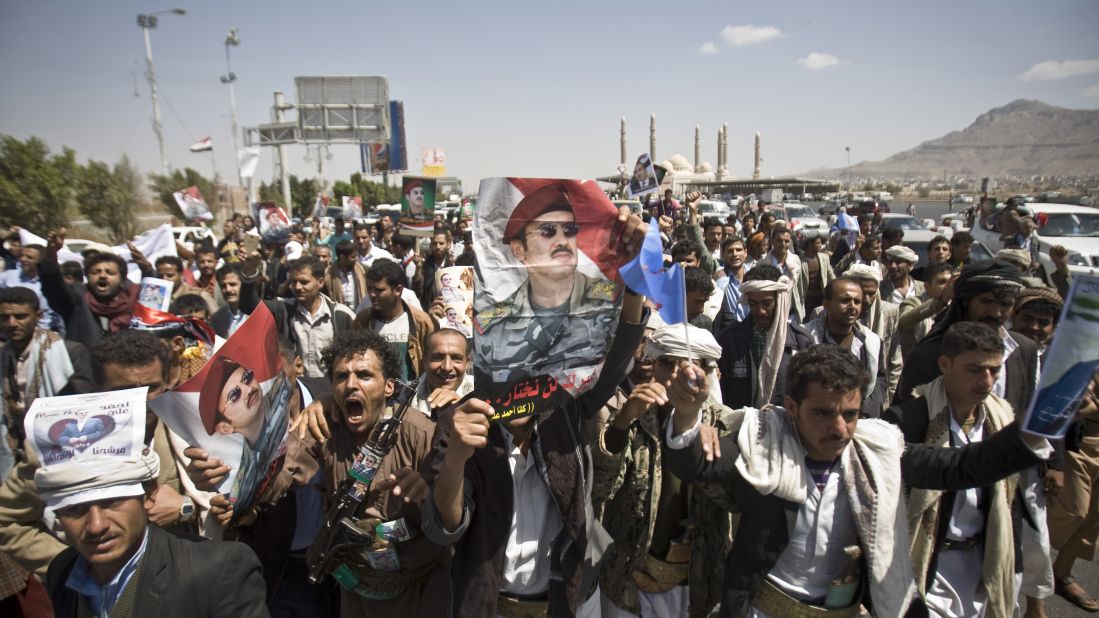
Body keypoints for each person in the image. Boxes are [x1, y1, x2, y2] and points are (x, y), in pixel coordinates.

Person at [661, 344, 1052, 618]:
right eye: (823, 414)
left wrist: (1037, 427)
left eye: (849, 414)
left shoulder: (877, 451)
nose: (839, 428)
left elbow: (963, 466)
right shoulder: (763, 442)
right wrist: (685, 415)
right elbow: (696, 464)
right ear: (792, 407)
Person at [422, 288, 647, 617]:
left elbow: (614, 363)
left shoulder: (565, 413)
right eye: (504, 370)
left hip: (571, 601)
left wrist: (634, 287)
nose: (518, 383)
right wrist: (457, 455)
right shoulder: (458, 424)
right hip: (491, 605)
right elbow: (446, 527)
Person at [38, 418, 268, 617]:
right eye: (75, 509)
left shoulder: (216, 571)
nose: (97, 526)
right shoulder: (64, 571)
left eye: (112, 502)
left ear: (149, 494)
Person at [883, 323, 1025, 617]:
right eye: (974, 369)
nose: (986, 380)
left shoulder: (1001, 419)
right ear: (944, 364)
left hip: (979, 563)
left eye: (994, 370)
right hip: (923, 561)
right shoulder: (908, 420)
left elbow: (1009, 500)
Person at [593, 324, 732, 618]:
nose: (673, 377)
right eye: (666, 364)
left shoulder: (724, 426)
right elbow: (602, 489)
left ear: (707, 373)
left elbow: (730, 499)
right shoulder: (636, 416)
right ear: (653, 365)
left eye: (687, 368)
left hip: (696, 584)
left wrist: (693, 438)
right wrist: (622, 422)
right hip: (629, 580)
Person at [472, 183, 623, 391]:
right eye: (548, 231)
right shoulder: (493, 324)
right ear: (518, 250)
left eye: (570, 230)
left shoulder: (610, 300)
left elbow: (625, 355)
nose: (562, 241)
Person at [241, 255, 356, 380]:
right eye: (294, 282)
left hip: (331, 390)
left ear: (321, 282)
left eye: (304, 282)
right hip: (297, 390)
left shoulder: (341, 315)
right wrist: (249, 272)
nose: (297, 287)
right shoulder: (283, 309)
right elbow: (249, 306)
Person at [717, 264, 813, 409]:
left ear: (779, 300)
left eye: (767, 303)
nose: (760, 311)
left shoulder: (801, 342)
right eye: (753, 304)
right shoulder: (729, 340)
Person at [804, 277, 888, 418]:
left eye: (857, 301)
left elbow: (878, 383)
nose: (852, 307)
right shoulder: (805, 338)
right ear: (826, 304)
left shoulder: (871, 342)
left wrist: (864, 412)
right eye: (845, 300)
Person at [353, 259, 437, 383]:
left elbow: (432, 359)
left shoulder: (421, 322)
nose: (372, 294)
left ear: (398, 290)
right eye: (369, 289)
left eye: (379, 290)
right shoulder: (363, 321)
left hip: (411, 396)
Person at [409, 328, 474, 420]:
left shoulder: (484, 396)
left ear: (467, 362)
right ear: (425, 360)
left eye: (456, 358)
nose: (447, 367)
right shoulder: (404, 397)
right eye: (438, 357)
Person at [896, 262, 956, 358]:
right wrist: (941, 301)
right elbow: (904, 322)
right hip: (919, 361)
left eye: (950, 282)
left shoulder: (956, 304)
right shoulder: (913, 302)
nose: (947, 286)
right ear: (927, 286)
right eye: (942, 282)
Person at [0, 243, 63, 333]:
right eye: (22, 255)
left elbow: (49, 316)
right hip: (7, 332)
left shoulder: (47, 284)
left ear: (40, 261)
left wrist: (39, 334)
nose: (23, 259)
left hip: (36, 333)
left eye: (29, 257)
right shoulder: (9, 276)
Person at [796, 231, 834, 320]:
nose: (820, 245)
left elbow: (830, 275)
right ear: (809, 244)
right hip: (806, 300)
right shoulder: (799, 260)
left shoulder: (824, 258)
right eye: (818, 243)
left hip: (821, 299)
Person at [324, 240, 368, 309]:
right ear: (342, 257)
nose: (356, 259)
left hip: (360, 315)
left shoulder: (364, 270)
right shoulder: (328, 275)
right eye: (353, 257)